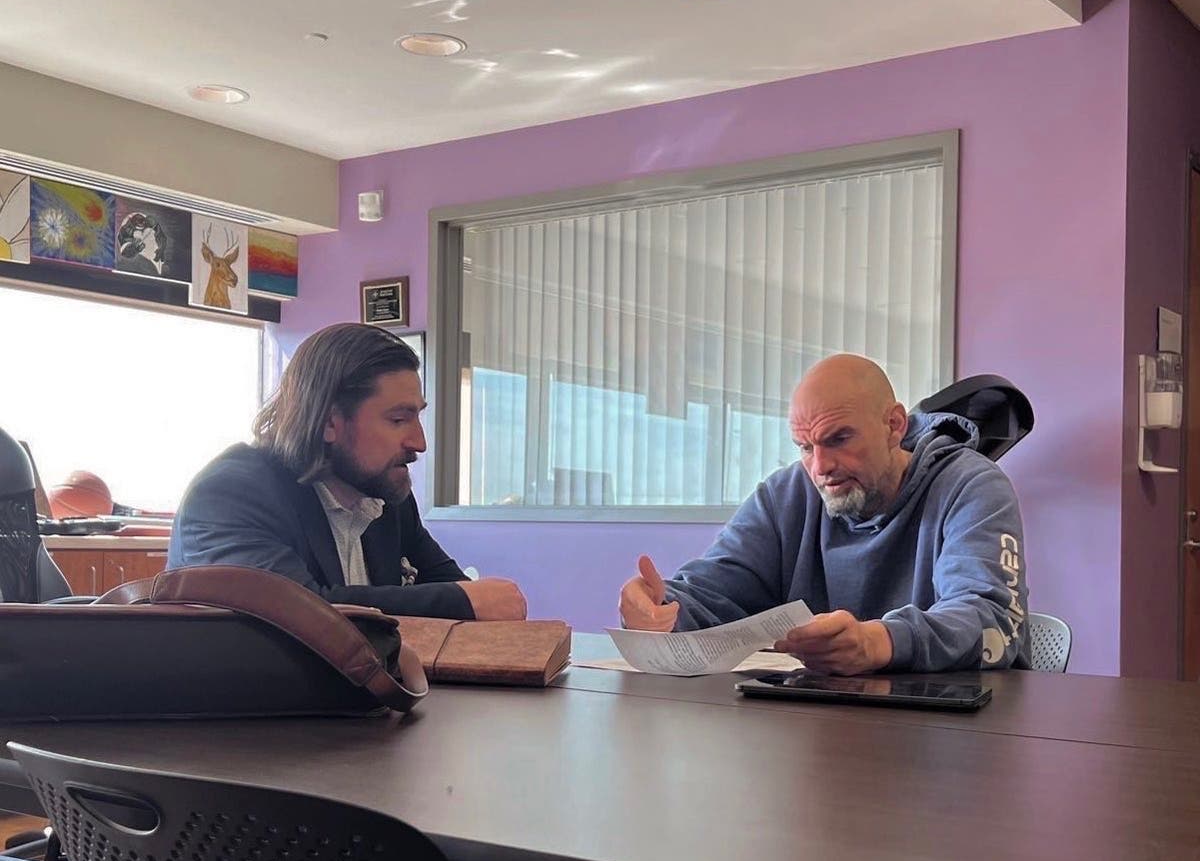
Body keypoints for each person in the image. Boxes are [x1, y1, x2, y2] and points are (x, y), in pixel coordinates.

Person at [619, 354, 1029, 673]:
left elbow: (991, 621)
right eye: (805, 447)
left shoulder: (971, 485)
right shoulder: (787, 496)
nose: (820, 467)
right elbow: (714, 592)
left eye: (839, 438)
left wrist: (879, 642)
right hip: (816, 728)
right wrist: (660, 607)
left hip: (953, 733)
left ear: (894, 425)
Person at [168, 323, 527, 620]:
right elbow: (295, 613)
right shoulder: (230, 494)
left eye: (418, 416)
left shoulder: (385, 494)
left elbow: (464, 593)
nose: (419, 442)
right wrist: (459, 602)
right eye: (398, 419)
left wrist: (473, 602)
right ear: (329, 422)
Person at [116, 211, 166, 276]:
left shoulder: (150, 222)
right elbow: (124, 252)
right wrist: (135, 249)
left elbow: (162, 237)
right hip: (135, 252)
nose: (141, 228)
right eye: (139, 227)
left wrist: (161, 248)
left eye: (143, 226)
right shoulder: (125, 230)